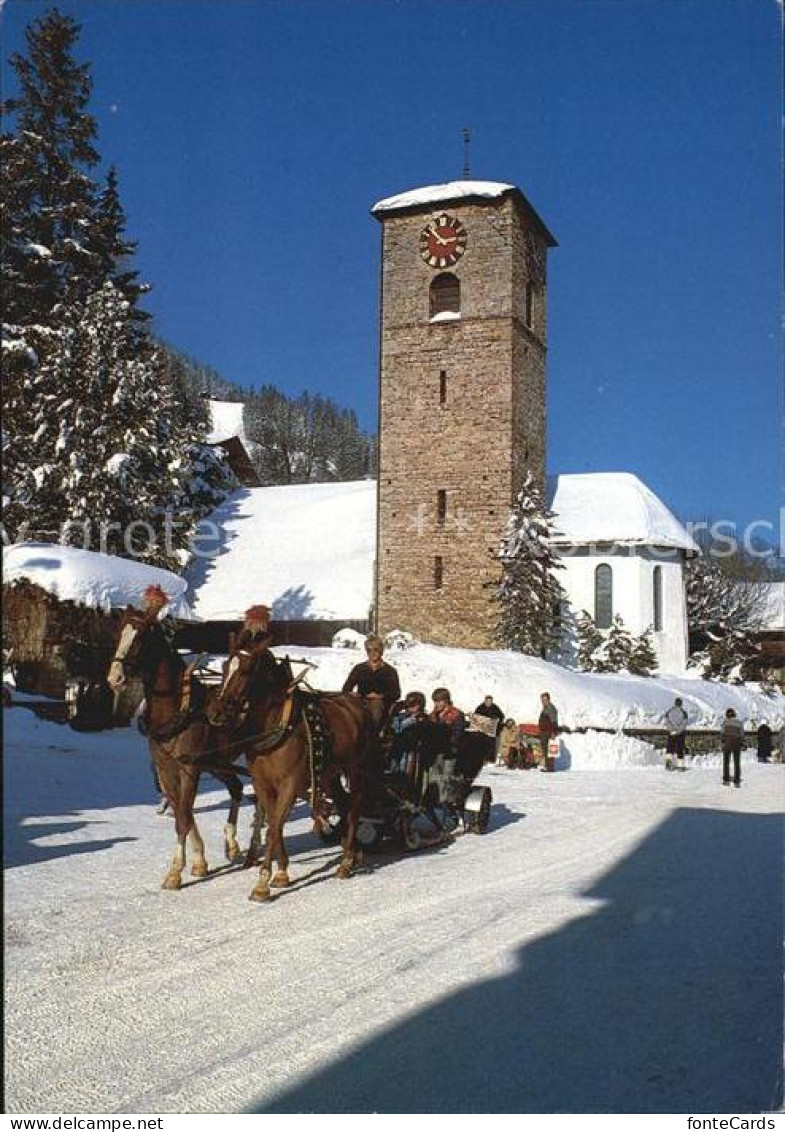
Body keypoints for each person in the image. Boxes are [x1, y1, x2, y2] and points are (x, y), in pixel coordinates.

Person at [342, 635, 401, 730]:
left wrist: (380, 696)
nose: (372, 653)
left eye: (375, 650)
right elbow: (346, 688)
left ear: (381, 651)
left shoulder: (389, 671)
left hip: (379, 702)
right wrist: (352, 694)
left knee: (375, 708)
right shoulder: (359, 669)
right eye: (369, 650)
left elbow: (396, 693)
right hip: (360, 700)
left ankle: (372, 735)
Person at [473, 694, 505, 762]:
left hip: (492, 730)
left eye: (490, 701)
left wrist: (497, 721)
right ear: (485, 701)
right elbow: (476, 716)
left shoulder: (495, 707)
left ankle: (490, 759)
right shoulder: (480, 707)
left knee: (491, 744)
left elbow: (502, 716)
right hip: (482, 729)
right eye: (487, 701)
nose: (488, 702)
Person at [721, 708, 745, 787]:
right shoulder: (739, 723)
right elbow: (742, 734)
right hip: (736, 744)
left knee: (726, 762)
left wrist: (723, 741)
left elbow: (722, 733)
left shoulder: (725, 723)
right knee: (737, 763)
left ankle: (726, 780)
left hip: (727, 744)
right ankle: (737, 781)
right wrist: (742, 743)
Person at [664, 697, 689, 771]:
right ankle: (680, 765)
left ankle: (668, 762)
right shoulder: (684, 713)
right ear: (681, 704)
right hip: (680, 734)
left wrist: (671, 730)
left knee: (670, 748)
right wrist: (678, 731)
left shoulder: (669, 712)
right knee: (680, 749)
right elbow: (684, 723)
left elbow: (666, 721)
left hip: (671, 733)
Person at [538, 692, 559, 771]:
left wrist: (553, 732)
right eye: (542, 700)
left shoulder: (550, 708)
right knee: (545, 749)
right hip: (544, 732)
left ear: (548, 699)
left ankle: (550, 767)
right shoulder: (545, 707)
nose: (543, 701)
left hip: (549, 732)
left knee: (549, 750)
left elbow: (554, 721)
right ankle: (548, 766)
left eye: (545, 699)